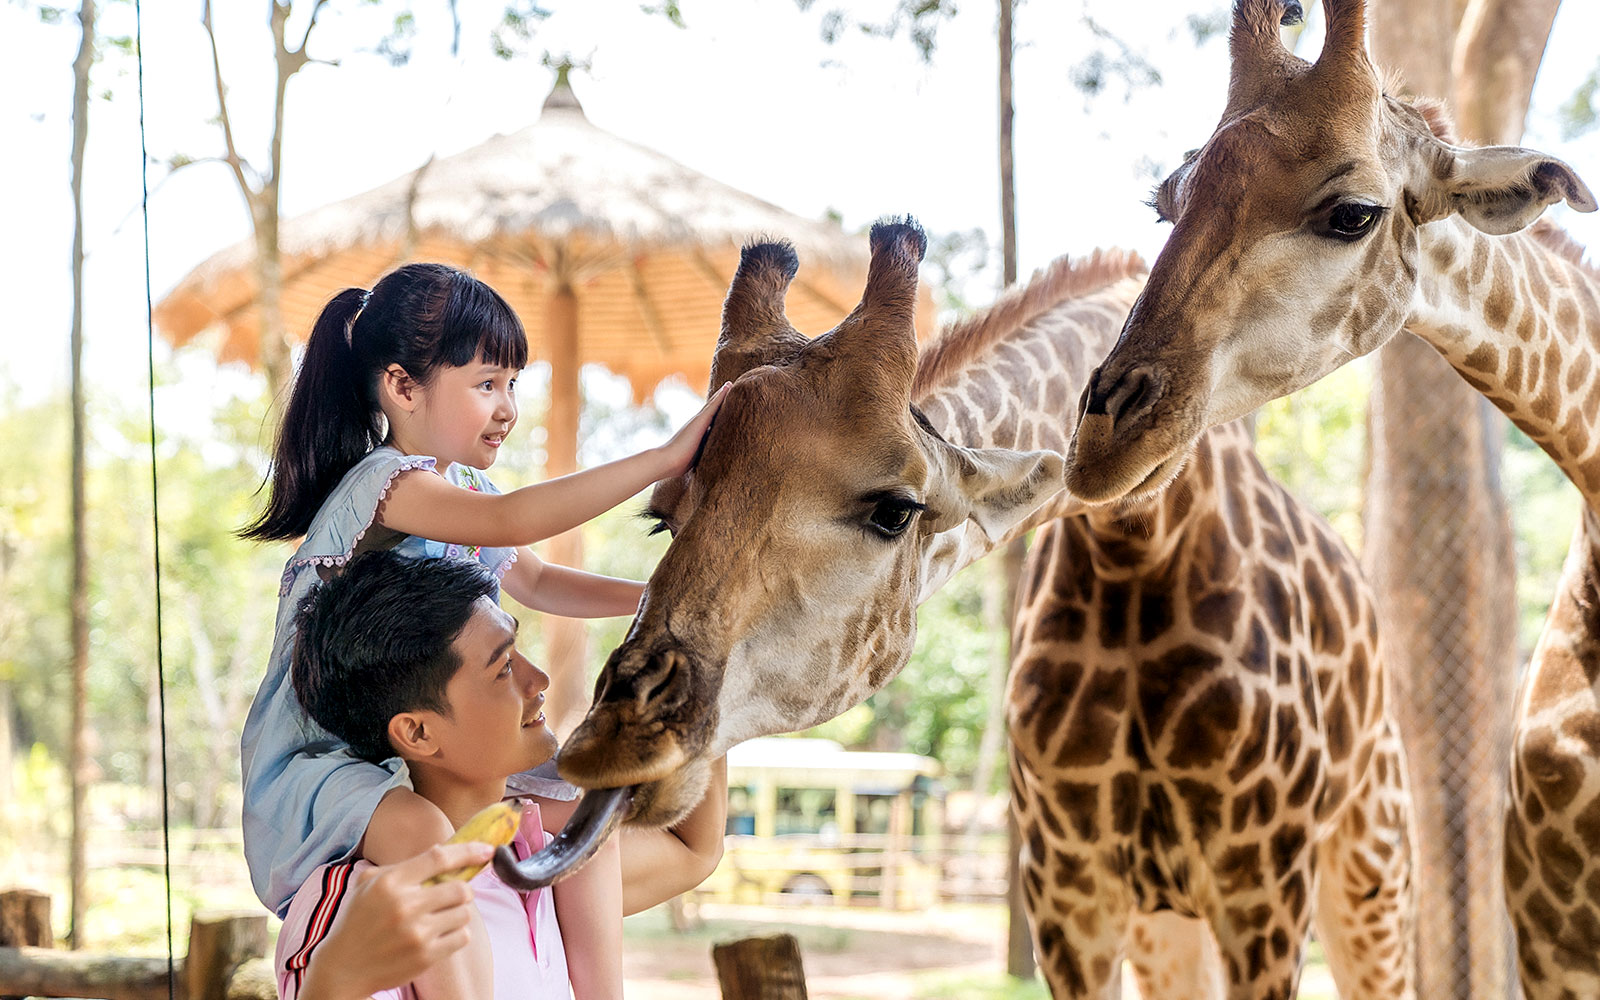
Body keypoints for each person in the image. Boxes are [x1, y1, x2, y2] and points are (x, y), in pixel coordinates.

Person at [238, 263, 728, 996]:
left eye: (513, 386)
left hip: (428, 732)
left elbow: (535, 580)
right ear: (403, 388)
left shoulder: (465, 488)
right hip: (329, 753)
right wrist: (662, 458)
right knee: (420, 835)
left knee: (579, 824)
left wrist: (663, 603)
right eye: (486, 384)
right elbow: (511, 523)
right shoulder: (387, 484)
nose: (507, 408)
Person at [279, 550, 724, 998]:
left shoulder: (547, 861)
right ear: (417, 732)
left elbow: (696, 851)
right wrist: (334, 981)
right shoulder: (366, 918)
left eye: (518, 650)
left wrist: (710, 639)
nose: (540, 679)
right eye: (504, 667)